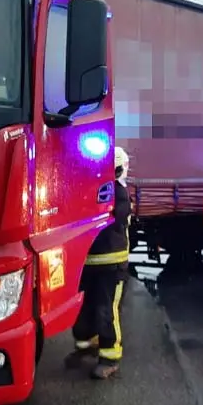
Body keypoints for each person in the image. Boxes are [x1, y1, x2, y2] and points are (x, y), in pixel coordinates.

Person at [65, 146, 133, 380]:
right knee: (84, 309)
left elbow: (112, 217)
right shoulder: (92, 188)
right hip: (89, 263)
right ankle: (85, 347)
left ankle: (110, 357)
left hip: (111, 266)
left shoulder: (118, 192)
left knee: (106, 311)